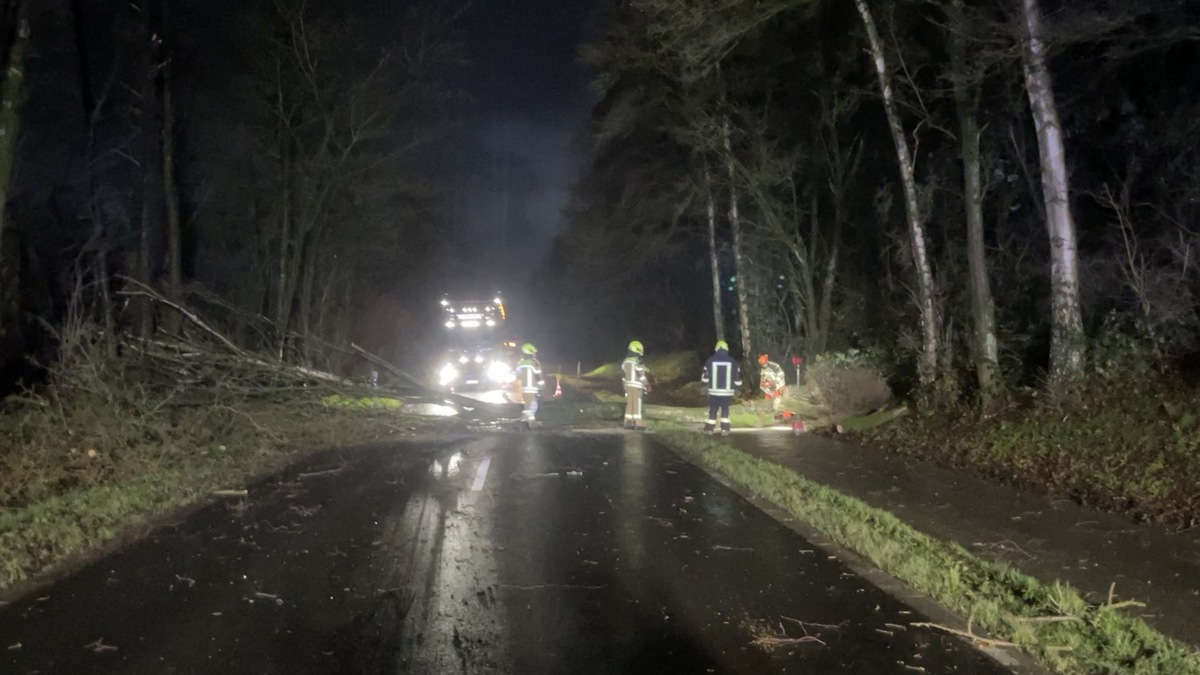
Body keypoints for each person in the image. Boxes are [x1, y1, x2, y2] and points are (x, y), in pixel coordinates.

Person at [701, 340, 742, 435]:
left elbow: (705, 376)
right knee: (725, 410)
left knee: (712, 410)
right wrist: (737, 388)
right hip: (727, 392)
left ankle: (709, 429)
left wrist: (704, 386)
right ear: (727, 349)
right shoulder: (733, 362)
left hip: (713, 392)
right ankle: (725, 429)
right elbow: (737, 377)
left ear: (716, 349)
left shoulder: (710, 360)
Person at [514, 343, 544, 429]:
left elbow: (517, 376)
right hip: (533, 389)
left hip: (525, 389)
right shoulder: (535, 362)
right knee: (532, 406)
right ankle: (526, 423)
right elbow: (538, 376)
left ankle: (527, 422)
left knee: (529, 406)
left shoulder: (520, 363)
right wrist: (540, 389)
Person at [621, 340, 648, 430]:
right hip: (637, 386)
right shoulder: (638, 360)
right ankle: (638, 424)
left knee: (629, 404)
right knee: (637, 405)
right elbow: (640, 374)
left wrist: (624, 387)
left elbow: (623, 374)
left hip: (628, 386)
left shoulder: (625, 362)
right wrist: (647, 384)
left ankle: (628, 422)